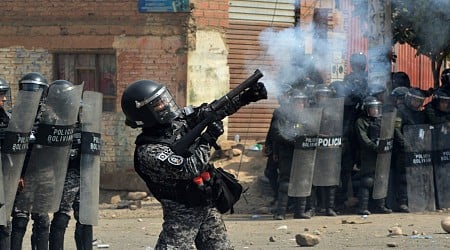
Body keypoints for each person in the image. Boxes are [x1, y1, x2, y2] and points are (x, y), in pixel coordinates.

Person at [121, 79, 266, 249]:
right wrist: (208, 139)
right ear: (145, 114)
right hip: (182, 213)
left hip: (206, 204)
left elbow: (213, 111)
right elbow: (191, 167)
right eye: (158, 104)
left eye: (164, 99)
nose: (166, 104)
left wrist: (244, 98)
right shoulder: (149, 151)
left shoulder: (177, 123)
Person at [10, 72, 51, 250]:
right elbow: (10, 149)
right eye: (29, 90)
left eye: (37, 91)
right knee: (19, 220)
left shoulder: (50, 117)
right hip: (22, 175)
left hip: (43, 175)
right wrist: (17, 174)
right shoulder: (14, 117)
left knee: (42, 220)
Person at [49, 108, 94, 250]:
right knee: (62, 216)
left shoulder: (85, 130)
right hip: (65, 177)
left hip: (84, 177)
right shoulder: (57, 130)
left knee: (85, 218)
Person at [354, 96, 392, 215]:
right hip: (367, 154)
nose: (375, 110)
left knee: (381, 178)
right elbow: (363, 138)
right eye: (372, 108)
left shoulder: (380, 120)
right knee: (367, 181)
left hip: (382, 154)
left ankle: (380, 206)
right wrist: (375, 147)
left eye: (377, 108)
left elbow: (388, 132)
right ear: (366, 109)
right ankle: (363, 207)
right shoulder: (361, 121)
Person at [0, 77, 11, 249]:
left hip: (4, 177)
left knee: (3, 225)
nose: (4, 99)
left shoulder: (6, 118)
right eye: (0, 95)